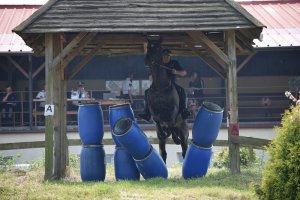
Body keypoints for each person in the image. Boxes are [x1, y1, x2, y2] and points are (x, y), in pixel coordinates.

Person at [139, 48, 190, 121]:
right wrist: (151, 76)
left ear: (170, 56)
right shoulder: (157, 64)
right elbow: (150, 77)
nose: (166, 57)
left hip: (171, 84)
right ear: (161, 56)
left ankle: (184, 110)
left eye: (167, 56)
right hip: (157, 85)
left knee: (182, 90)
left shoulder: (174, 63)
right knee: (147, 92)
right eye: (164, 56)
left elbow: (184, 72)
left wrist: (176, 72)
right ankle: (146, 112)